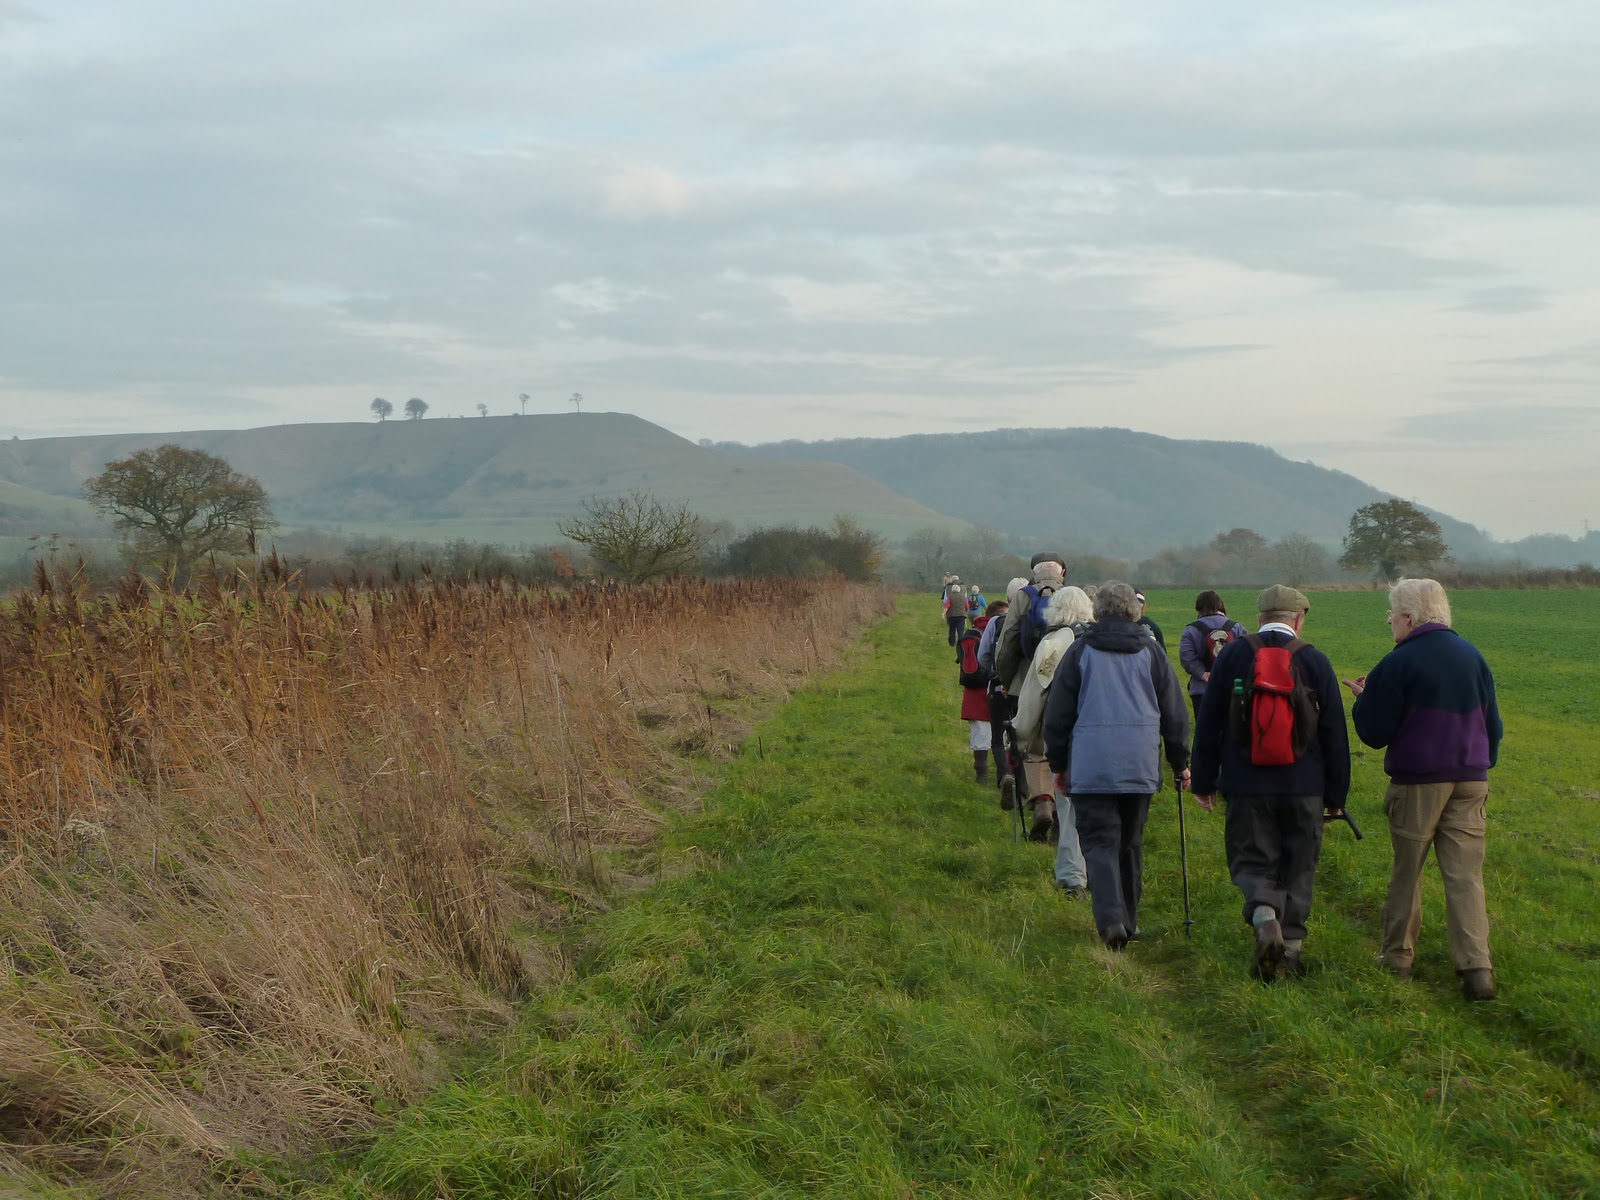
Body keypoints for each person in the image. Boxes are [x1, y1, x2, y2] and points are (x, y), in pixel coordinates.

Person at [1344, 579, 1503, 1002]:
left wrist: (1363, 699)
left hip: (1419, 781)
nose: (1390, 622)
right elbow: (1494, 727)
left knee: (1408, 870)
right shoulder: (1473, 656)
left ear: (1410, 618)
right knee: (1466, 875)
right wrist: (1478, 763)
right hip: (1471, 779)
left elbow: (1374, 732)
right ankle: (1477, 968)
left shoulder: (1398, 662)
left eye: (1392, 614)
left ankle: (1398, 956)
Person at [1191, 585, 1350, 981]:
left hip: (1247, 784)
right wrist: (1336, 795)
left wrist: (1204, 781)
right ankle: (1291, 952)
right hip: (1305, 786)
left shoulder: (1233, 655)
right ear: (1300, 618)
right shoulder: (1314, 660)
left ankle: (1265, 918)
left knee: (1252, 859)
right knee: (1299, 865)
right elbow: (1334, 733)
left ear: (1260, 617)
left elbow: (1209, 723)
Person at [1044, 581, 1190, 948]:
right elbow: (1175, 713)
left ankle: (1111, 920)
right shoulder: (1153, 653)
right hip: (1139, 764)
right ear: (1135, 611)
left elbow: (1058, 716)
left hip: (1091, 765)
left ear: (1098, 610)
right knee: (1130, 842)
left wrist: (1058, 765)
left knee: (1098, 842)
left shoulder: (1079, 652)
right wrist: (1179, 762)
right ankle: (1130, 920)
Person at [1013, 587, 1093, 895]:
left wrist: (1019, 736)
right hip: (1108, 737)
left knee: (1070, 806)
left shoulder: (1053, 644)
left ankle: (1073, 877)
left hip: (1067, 735)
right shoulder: (1102, 640)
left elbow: (1035, 694)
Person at [996, 557, 1068, 838]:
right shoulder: (1072, 596)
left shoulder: (1024, 597)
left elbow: (1007, 642)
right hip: (1065, 682)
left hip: (1026, 681)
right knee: (1062, 747)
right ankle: (1063, 814)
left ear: (1033, 573)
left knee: (1033, 748)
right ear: (1062, 571)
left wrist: (1008, 679)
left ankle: (1042, 801)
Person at [1179, 590, 1249, 720]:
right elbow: (1247, 655)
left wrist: (1201, 673)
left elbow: (1186, 657)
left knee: (1205, 735)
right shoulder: (1237, 628)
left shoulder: (1191, 630)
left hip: (1201, 691)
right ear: (1220, 605)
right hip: (1232, 690)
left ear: (1198, 608)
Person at [977, 593, 1020, 790]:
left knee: (997, 735)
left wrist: (993, 675)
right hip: (1024, 689)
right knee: (1022, 735)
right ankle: (1024, 783)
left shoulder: (995, 622)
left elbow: (983, 655)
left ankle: (1004, 776)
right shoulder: (1031, 623)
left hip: (997, 685)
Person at [958, 607, 996, 783]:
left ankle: (982, 775)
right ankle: (1006, 774)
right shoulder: (999, 630)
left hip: (973, 690)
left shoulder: (970, 634)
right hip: (995, 687)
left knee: (980, 735)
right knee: (1002, 734)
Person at [944, 580, 970, 647]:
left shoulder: (950, 597)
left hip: (952, 616)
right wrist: (966, 612)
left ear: (952, 590)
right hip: (961, 616)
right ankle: (961, 643)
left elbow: (947, 606)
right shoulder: (964, 597)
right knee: (960, 630)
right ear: (959, 590)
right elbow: (967, 606)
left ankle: (952, 643)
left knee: (952, 630)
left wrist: (943, 613)